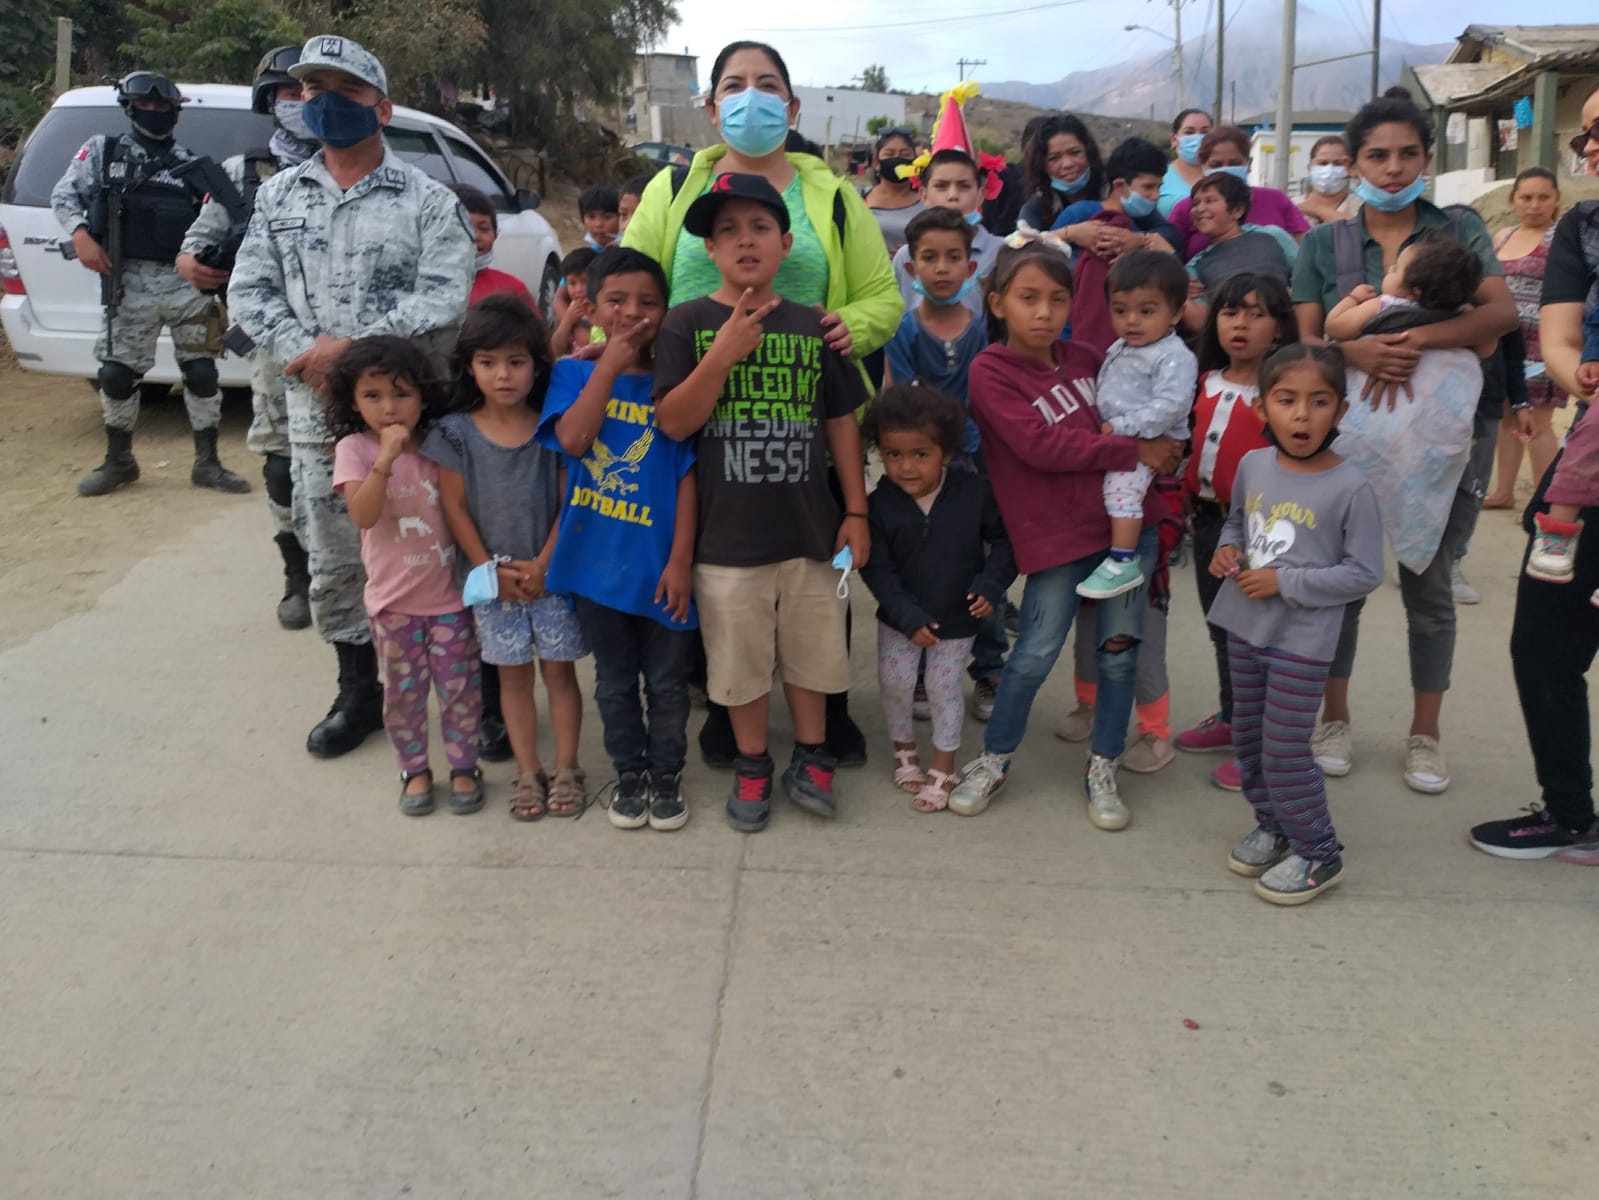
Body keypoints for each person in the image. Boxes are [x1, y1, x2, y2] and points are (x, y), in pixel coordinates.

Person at [623, 39, 901, 768]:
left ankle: (828, 712)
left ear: (792, 104)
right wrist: (616, 347)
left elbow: (881, 295)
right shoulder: (672, 190)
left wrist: (853, 325)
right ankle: (726, 707)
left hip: (808, 403)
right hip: (698, 402)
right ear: (712, 106)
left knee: (819, 555)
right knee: (717, 566)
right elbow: (630, 282)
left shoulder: (833, 195)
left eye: (767, 83)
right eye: (735, 85)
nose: (752, 97)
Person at [229, 36, 476, 759]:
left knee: (442, 546)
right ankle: (360, 691)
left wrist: (351, 353)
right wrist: (302, 354)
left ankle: (473, 688)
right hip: (317, 418)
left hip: (417, 421)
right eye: (312, 89)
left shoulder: (429, 200)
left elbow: (444, 297)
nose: (324, 101)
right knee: (335, 555)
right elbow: (248, 291)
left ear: (383, 106)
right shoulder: (277, 196)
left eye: (344, 88)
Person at [1289, 92, 1517, 793]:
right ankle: (1333, 719)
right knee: (1339, 586)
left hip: (1446, 438)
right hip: (1348, 438)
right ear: (1352, 162)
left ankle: (1425, 735)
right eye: (1376, 156)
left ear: (1426, 158)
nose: (1392, 169)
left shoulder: (1458, 228)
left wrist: (1408, 337)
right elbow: (1306, 340)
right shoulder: (1321, 244)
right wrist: (1353, 356)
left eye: (1407, 154)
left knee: (1428, 587)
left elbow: (1500, 316)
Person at [650, 173, 871, 832]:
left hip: (812, 531)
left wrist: (855, 511)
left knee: (815, 655)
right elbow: (672, 423)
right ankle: (752, 763)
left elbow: (841, 424)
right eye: (727, 232)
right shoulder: (685, 325)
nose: (744, 241)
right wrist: (719, 356)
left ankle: (811, 754)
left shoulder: (815, 327)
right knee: (739, 664)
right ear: (708, 252)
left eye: (758, 228)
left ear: (785, 243)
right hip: (726, 540)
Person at [948, 238, 1183, 826]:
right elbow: (1042, 444)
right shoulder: (990, 371)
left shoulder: (1090, 357)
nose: (1044, 312)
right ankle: (995, 758)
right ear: (998, 303)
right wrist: (1136, 449)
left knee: (1118, 656)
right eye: (1028, 298)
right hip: (1055, 540)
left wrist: (1164, 450)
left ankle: (1102, 764)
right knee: (1031, 655)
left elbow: (1157, 411)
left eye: (1057, 299)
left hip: (1129, 533)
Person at [1468, 80, 1599, 862]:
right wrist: (1578, 370)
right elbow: (1557, 330)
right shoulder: (1584, 227)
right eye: (1585, 131)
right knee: (1542, 641)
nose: (1589, 143)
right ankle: (1570, 814)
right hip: (1586, 472)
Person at [1206, 344, 1384, 905]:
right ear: (1262, 409)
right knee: (1251, 741)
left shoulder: (1351, 487)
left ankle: (1318, 851)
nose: (1302, 415)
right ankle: (1275, 824)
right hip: (1244, 626)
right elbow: (1237, 521)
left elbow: (1364, 573)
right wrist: (1226, 551)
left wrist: (1285, 583)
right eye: (1287, 400)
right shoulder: (1254, 465)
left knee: (1285, 748)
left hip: (1302, 642)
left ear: (1341, 411)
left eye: (1318, 401)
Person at [538, 248, 697, 831]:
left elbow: (686, 480)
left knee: (667, 684)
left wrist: (680, 561)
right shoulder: (574, 373)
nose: (633, 312)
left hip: (660, 571)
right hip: (595, 570)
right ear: (594, 308)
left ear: (666, 310)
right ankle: (629, 774)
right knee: (613, 683)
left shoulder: (676, 385)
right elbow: (576, 441)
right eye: (617, 301)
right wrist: (607, 366)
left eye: (648, 302)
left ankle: (666, 775)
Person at [426, 294, 587, 820]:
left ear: (536, 365)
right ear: (469, 366)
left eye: (517, 361)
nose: (503, 375)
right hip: (492, 585)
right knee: (512, 679)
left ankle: (566, 767)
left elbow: (571, 500)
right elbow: (454, 507)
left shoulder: (555, 423)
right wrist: (490, 572)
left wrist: (544, 563)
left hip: (553, 577)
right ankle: (526, 770)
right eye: (488, 362)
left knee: (560, 674)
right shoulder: (455, 432)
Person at [52, 70, 250, 497]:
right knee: (116, 375)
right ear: (130, 107)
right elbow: (64, 197)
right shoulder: (103, 152)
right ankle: (119, 460)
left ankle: (208, 463)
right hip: (129, 281)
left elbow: (226, 218)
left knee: (201, 373)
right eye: (148, 105)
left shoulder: (193, 164)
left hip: (186, 284)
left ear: (175, 112)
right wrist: (81, 235)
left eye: (164, 106)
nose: (156, 112)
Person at [177, 45, 317, 628]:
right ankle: (297, 576)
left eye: (310, 93)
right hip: (275, 349)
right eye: (289, 94)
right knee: (283, 464)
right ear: (269, 101)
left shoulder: (361, 165)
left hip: (354, 345)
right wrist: (194, 263)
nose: (301, 105)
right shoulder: (241, 175)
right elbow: (193, 245)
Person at [328, 337, 482, 817]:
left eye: (402, 394)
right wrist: (385, 459)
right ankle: (414, 768)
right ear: (352, 401)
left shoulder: (442, 444)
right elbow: (364, 514)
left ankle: (463, 765)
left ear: (423, 396)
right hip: (394, 605)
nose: (389, 408)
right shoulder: (354, 449)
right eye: (372, 396)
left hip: (451, 598)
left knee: (460, 690)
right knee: (403, 695)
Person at [859, 384, 1015, 813]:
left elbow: (1005, 544)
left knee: (943, 686)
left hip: (958, 616)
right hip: (899, 619)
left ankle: (943, 765)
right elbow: (877, 570)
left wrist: (989, 586)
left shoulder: (973, 492)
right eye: (893, 455)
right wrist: (906, 617)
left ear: (945, 452)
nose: (906, 467)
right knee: (896, 684)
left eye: (920, 454)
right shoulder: (879, 504)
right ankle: (904, 749)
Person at [1174, 273, 1300, 791]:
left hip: (1261, 532)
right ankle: (1232, 718)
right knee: (1221, 628)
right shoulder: (1203, 382)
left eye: (1256, 313)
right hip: (1208, 522)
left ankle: (1263, 748)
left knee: (1257, 638)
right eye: (1229, 312)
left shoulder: (1284, 391)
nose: (1240, 324)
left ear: (1278, 327)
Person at [1078, 250, 1197, 600]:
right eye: (1120, 310)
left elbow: (1171, 407)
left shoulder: (1173, 355)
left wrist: (1125, 426)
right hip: (1123, 434)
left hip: (1152, 440)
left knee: (1121, 493)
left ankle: (1122, 560)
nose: (1132, 321)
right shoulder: (1122, 346)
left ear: (1175, 312)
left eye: (1146, 311)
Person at [1482, 167, 1566, 510]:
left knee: (1539, 422)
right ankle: (1503, 492)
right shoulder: (1502, 236)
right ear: (1513, 200)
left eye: (1543, 197)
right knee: (1508, 418)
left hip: (1544, 341)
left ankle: (1545, 499)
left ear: (1556, 200)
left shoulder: (1563, 239)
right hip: (1505, 342)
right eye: (1526, 197)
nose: (1534, 205)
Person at [1059, 136, 1184, 355]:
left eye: (1159, 187)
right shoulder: (1080, 215)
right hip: (1071, 336)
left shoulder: (1141, 226)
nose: (1155, 196)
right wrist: (1070, 233)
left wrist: (1141, 242)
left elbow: (1172, 245)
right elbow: (1038, 248)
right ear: (1119, 186)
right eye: (1148, 187)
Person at [889, 149, 1003, 319]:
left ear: (980, 195)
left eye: (964, 186)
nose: (953, 196)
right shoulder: (905, 256)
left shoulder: (1001, 252)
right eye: (941, 186)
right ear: (924, 195)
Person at [1324, 233, 1490, 347]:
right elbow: (1486, 348)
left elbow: (1335, 328)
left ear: (1416, 291)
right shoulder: (1463, 313)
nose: (1389, 268)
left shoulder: (1382, 306)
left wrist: (1353, 298)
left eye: (1396, 269)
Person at [1168, 126, 1309, 258]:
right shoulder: (1188, 209)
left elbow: (1304, 253)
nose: (1226, 169)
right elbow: (1171, 257)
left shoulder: (1275, 199)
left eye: (1234, 163)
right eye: (1216, 165)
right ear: (1203, 167)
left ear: (1249, 164)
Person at [1181, 173, 1298, 330]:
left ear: (1237, 210)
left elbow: (1306, 276)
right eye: (1195, 203)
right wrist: (1176, 288)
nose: (1200, 209)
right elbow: (1201, 322)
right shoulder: (1195, 266)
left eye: (1210, 200)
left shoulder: (1271, 235)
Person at [449, 182, 536, 307]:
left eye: (483, 228)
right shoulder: (416, 289)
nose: (475, 237)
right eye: (463, 227)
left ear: (495, 235)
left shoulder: (513, 290)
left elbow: (533, 326)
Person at [1016, 113, 1104, 235]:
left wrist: (1138, 240)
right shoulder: (1035, 209)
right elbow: (1024, 245)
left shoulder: (1113, 191)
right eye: (1054, 158)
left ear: (1089, 152)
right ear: (1042, 166)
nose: (1067, 164)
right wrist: (1068, 234)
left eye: (1075, 152)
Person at [862, 126, 924, 256]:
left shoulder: (928, 200)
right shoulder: (858, 197)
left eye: (905, 154)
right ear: (876, 162)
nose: (897, 159)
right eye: (889, 154)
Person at [1158, 108, 1212, 218]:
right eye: (1189, 132)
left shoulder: (1222, 176)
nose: (1198, 138)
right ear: (1174, 140)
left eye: (1205, 132)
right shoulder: (1159, 176)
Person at [1296, 135, 1361, 227]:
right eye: (1323, 163)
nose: (1329, 170)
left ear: (1350, 168)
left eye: (1338, 163)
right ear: (1310, 167)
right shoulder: (1292, 205)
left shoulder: (1362, 207)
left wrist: (1318, 210)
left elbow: (1356, 228)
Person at [551, 247, 597, 355]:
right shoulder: (571, 310)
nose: (578, 289)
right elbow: (555, 350)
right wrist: (567, 321)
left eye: (585, 281)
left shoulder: (604, 309)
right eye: (572, 283)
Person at [579, 184, 621, 249]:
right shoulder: (588, 255)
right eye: (591, 217)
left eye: (607, 217)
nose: (598, 224)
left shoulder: (633, 252)